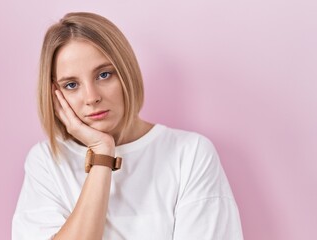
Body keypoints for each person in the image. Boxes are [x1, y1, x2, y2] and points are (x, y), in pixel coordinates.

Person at [12, 12, 244, 240]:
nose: (91, 97)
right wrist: (102, 154)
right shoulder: (47, 161)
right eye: (72, 85)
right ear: (55, 95)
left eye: (104, 75)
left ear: (126, 72)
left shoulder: (189, 153)